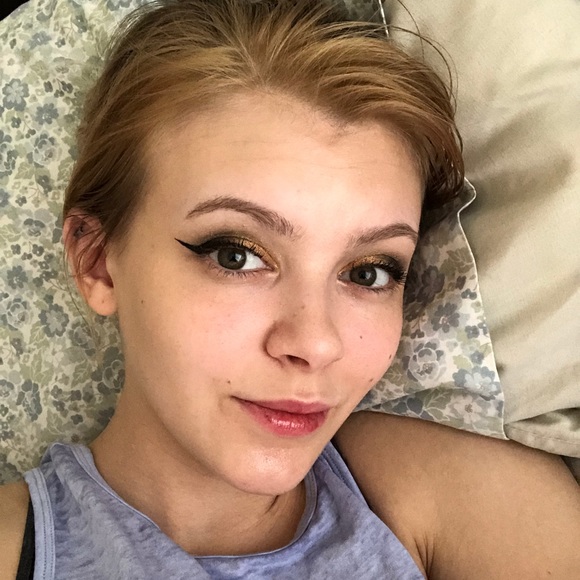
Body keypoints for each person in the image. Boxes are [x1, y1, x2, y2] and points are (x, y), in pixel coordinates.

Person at [1, 0, 579, 578]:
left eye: (368, 272)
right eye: (236, 255)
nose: (316, 343)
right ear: (98, 263)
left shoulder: (447, 485)